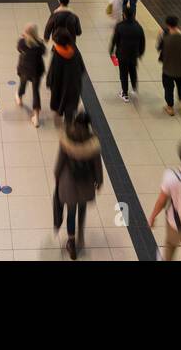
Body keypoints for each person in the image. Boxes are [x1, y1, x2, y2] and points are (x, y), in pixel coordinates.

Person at [53, 111, 103, 259]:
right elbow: (97, 165)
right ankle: (81, 233)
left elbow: (60, 162)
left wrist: (57, 177)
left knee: (70, 212)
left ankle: (72, 242)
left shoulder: (67, 138)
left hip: (68, 184)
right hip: (85, 184)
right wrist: (99, 181)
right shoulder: (92, 142)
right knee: (82, 209)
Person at [46, 27, 84, 124]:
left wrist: (49, 81)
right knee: (70, 108)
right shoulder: (74, 50)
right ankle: (69, 127)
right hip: (74, 85)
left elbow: (53, 72)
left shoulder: (57, 54)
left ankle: (61, 116)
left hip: (60, 86)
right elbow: (82, 68)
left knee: (60, 102)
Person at [109, 5, 145, 102]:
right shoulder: (138, 26)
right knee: (133, 71)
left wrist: (111, 51)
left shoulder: (120, 26)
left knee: (123, 73)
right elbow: (142, 41)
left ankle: (125, 93)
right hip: (134, 54)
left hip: (122, 54)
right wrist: (140, 53)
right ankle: (134, 89)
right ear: (133, 15)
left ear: (124, 15)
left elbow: (115, 40)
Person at [15, 23, 46, 127]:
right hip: (37, 71)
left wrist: (23, 37)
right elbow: (44, 52)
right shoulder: (40, 44)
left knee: (23, 84)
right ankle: (36, 117)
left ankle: (19, 97)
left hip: (25, 69)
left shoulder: (22, 43)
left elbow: (19, 49)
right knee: (35, 91)